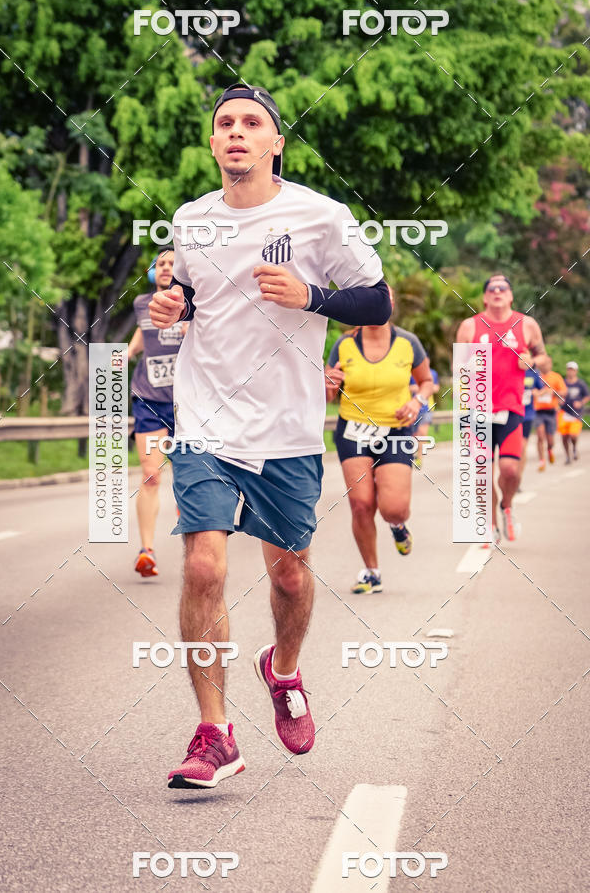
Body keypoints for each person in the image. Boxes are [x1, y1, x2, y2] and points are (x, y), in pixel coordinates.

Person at [148, 82, 392, 788]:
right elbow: (194, 296)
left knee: (288, 574)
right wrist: (174, 302)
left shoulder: (320, 216)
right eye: (225, 122)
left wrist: (312, 296)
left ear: (274, 143)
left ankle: (283, 670)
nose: (236, 132)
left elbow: (376, 299)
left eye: (252, 123)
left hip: (285, 428)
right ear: (213, 140)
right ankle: (215, 733)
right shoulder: (191, 220)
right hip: (205, 420)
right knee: (203, 567)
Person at [325, 322, 433, 595]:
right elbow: (329, 394)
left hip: (395, 430)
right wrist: (329, 384)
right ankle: (372, 572)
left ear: (389, 304)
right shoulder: (344, 344)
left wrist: (416, 402)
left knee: (393, 508)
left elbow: (427, 382)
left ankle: (397, 525)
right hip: (353, 430)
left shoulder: (408, 342)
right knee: (361, 504)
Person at [456, 274, 548, 543]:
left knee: (509, 470)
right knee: (481, 473)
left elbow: (545, 359)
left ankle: (507, 506)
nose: (497, 292)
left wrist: (532, 359)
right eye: (492, 289)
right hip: (476, 411)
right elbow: (457, 366)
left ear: (510, 295)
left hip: (512, 409)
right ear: (485, 297)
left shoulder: (527, 325)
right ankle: (489, 525)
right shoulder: (469, 326)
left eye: (503, 288)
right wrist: (465, 369)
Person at [128, 245, 186, 577]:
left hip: (187, 403)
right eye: (160, 263)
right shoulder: (141, 304)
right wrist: (121, 355)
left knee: (188, 475)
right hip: (150, 399)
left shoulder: (197, 305)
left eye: (172, 263)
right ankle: (146, 551)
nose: (165, 267)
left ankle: (191, 523)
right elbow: (143, 337)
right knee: (151, 475)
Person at [533, 356, 567, 471]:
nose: (544, 366)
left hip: (551, 411)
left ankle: (549, 450)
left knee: (550, 440)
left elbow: (564, 391)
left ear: (550, 364)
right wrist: (537, 393)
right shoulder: (535, 375)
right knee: (540, 435)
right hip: (538, 411)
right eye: (543, 364)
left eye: (547, 364)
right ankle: (542, 460)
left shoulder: (556, 377)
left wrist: (553, 392)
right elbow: (529, 388)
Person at [558, 361, 589, 463]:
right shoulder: (563, 382)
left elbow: (587, 396)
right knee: (564, 436)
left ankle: (574, 448)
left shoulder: (580, 384)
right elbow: (558, 394)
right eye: (569, 369)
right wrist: (559, 399)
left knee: (573, 435)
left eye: (572, 370)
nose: (570, 372)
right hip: (564, 412)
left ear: (576, 371)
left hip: (575, 413)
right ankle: (567, 456)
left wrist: (581, 403)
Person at [410, 366, 440, 468]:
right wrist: (423, 388)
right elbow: (407, 387)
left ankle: (419, 458)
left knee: (422, 434)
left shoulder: (433, 373)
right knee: (413, 434)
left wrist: (425, 388)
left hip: (427, 409)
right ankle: (411, 455)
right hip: (412, 408)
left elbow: (436, 388)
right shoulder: (410, 372)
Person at [519, 366, 544, 485]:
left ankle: (518, 477)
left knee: (522, 448)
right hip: (510, 413)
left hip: (527, 415)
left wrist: (537, 393)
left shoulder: (533, 372)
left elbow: (543, 389)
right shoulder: (509, 367)